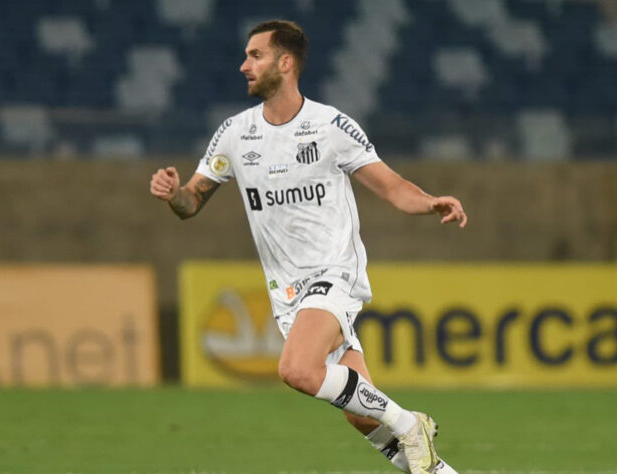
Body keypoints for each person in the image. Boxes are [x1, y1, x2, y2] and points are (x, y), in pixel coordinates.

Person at [150, 19, 467, 474]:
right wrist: (174, 192)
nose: (244, 65)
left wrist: (430, 202)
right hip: (288, 291)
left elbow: (392, 186)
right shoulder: (235, 134)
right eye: (245, 55)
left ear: (286, 62)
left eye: (255, 55)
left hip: (334, 273)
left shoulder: (331, 126)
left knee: (297, 370)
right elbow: (191, 202)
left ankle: (410, 423)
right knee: (361, 413)